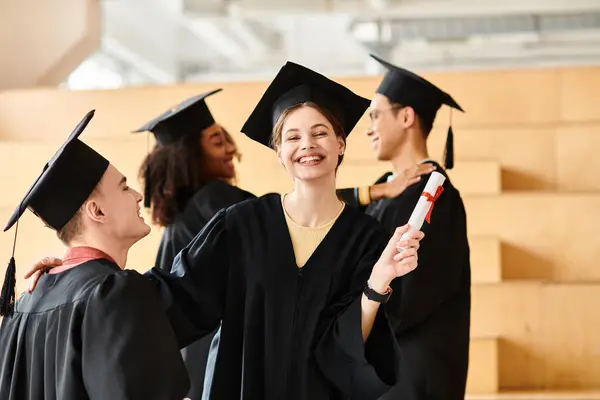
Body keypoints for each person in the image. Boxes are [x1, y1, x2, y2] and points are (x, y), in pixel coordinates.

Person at [24, 62, 425, 399]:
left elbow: (351, 347)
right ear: (279, 151)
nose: (308, 144)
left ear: (340, 143)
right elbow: (173, 295)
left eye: (321, 133)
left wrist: (377, 283)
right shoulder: (240, 225)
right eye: (293, 136)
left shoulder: (368, 238)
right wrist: (81, 275)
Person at [0, 110, 190, 399]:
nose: (138, 195)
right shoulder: (115, 292)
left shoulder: (23, 306)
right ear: (97, 211)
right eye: (124, 187)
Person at [338, 54, 471, 400]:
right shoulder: (384, 189)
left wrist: (350, 333)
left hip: (410, 373)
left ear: (407, 116)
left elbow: (412, 294)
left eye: (375, 115)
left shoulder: (434, 197)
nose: (367, 127)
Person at [134, 90, 255, 400]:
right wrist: (363, 196)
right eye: (217, 141)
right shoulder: (214, 197)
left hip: (192, 363)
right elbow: (281, 222)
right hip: (223, 354)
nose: (231, 148)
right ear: (191, 154)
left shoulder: (180, 219)